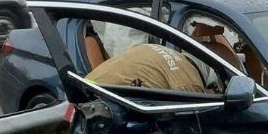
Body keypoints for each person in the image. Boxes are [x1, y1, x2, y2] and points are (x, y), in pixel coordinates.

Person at [87, 42, 217, 93]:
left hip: (88, 84)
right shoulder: (190, 81)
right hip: (101, 99)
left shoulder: (160, 48)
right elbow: (188, 123)